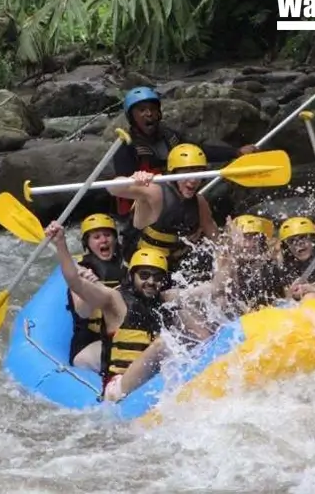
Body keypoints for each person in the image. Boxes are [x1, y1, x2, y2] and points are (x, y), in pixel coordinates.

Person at [45, 220, 177, 401]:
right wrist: (61, 244)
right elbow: (74, 282)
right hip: (118, 385)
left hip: (143, 373)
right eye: (145, 276)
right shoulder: (114, 299)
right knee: (163, 343)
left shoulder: (163, 299)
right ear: (133, 277)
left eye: (157, 277)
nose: (151, 282)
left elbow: (211, 289)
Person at [113, 87, 257, 217]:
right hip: (141, 210)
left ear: (159, 113)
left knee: (220, 199)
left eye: (152, 109)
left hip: (173, 198)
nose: (149, 114)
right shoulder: (125, 147)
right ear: (131, 116)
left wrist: (236, 152)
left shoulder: (170, 137)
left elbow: (198, 152)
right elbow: (123, 187)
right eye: (142, 110)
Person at [107, 143, 218, 278]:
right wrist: (132, 179)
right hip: (143, 270)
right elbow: (112, 188)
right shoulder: (155, 191)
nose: (193, 180)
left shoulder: (199, 203)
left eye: (198, 174)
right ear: (174, 173)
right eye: (187, 173)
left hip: (175, 268)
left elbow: (215, 240)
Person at [66, 213, 126, 371]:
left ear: (115, 239)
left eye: (107, 235)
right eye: (96, 237)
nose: (103, 240)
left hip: (123, 335)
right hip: (90, 342)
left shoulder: (126, 268)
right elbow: (83, 312)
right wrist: (87, 288)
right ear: (88, 243)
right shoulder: (79, 273)